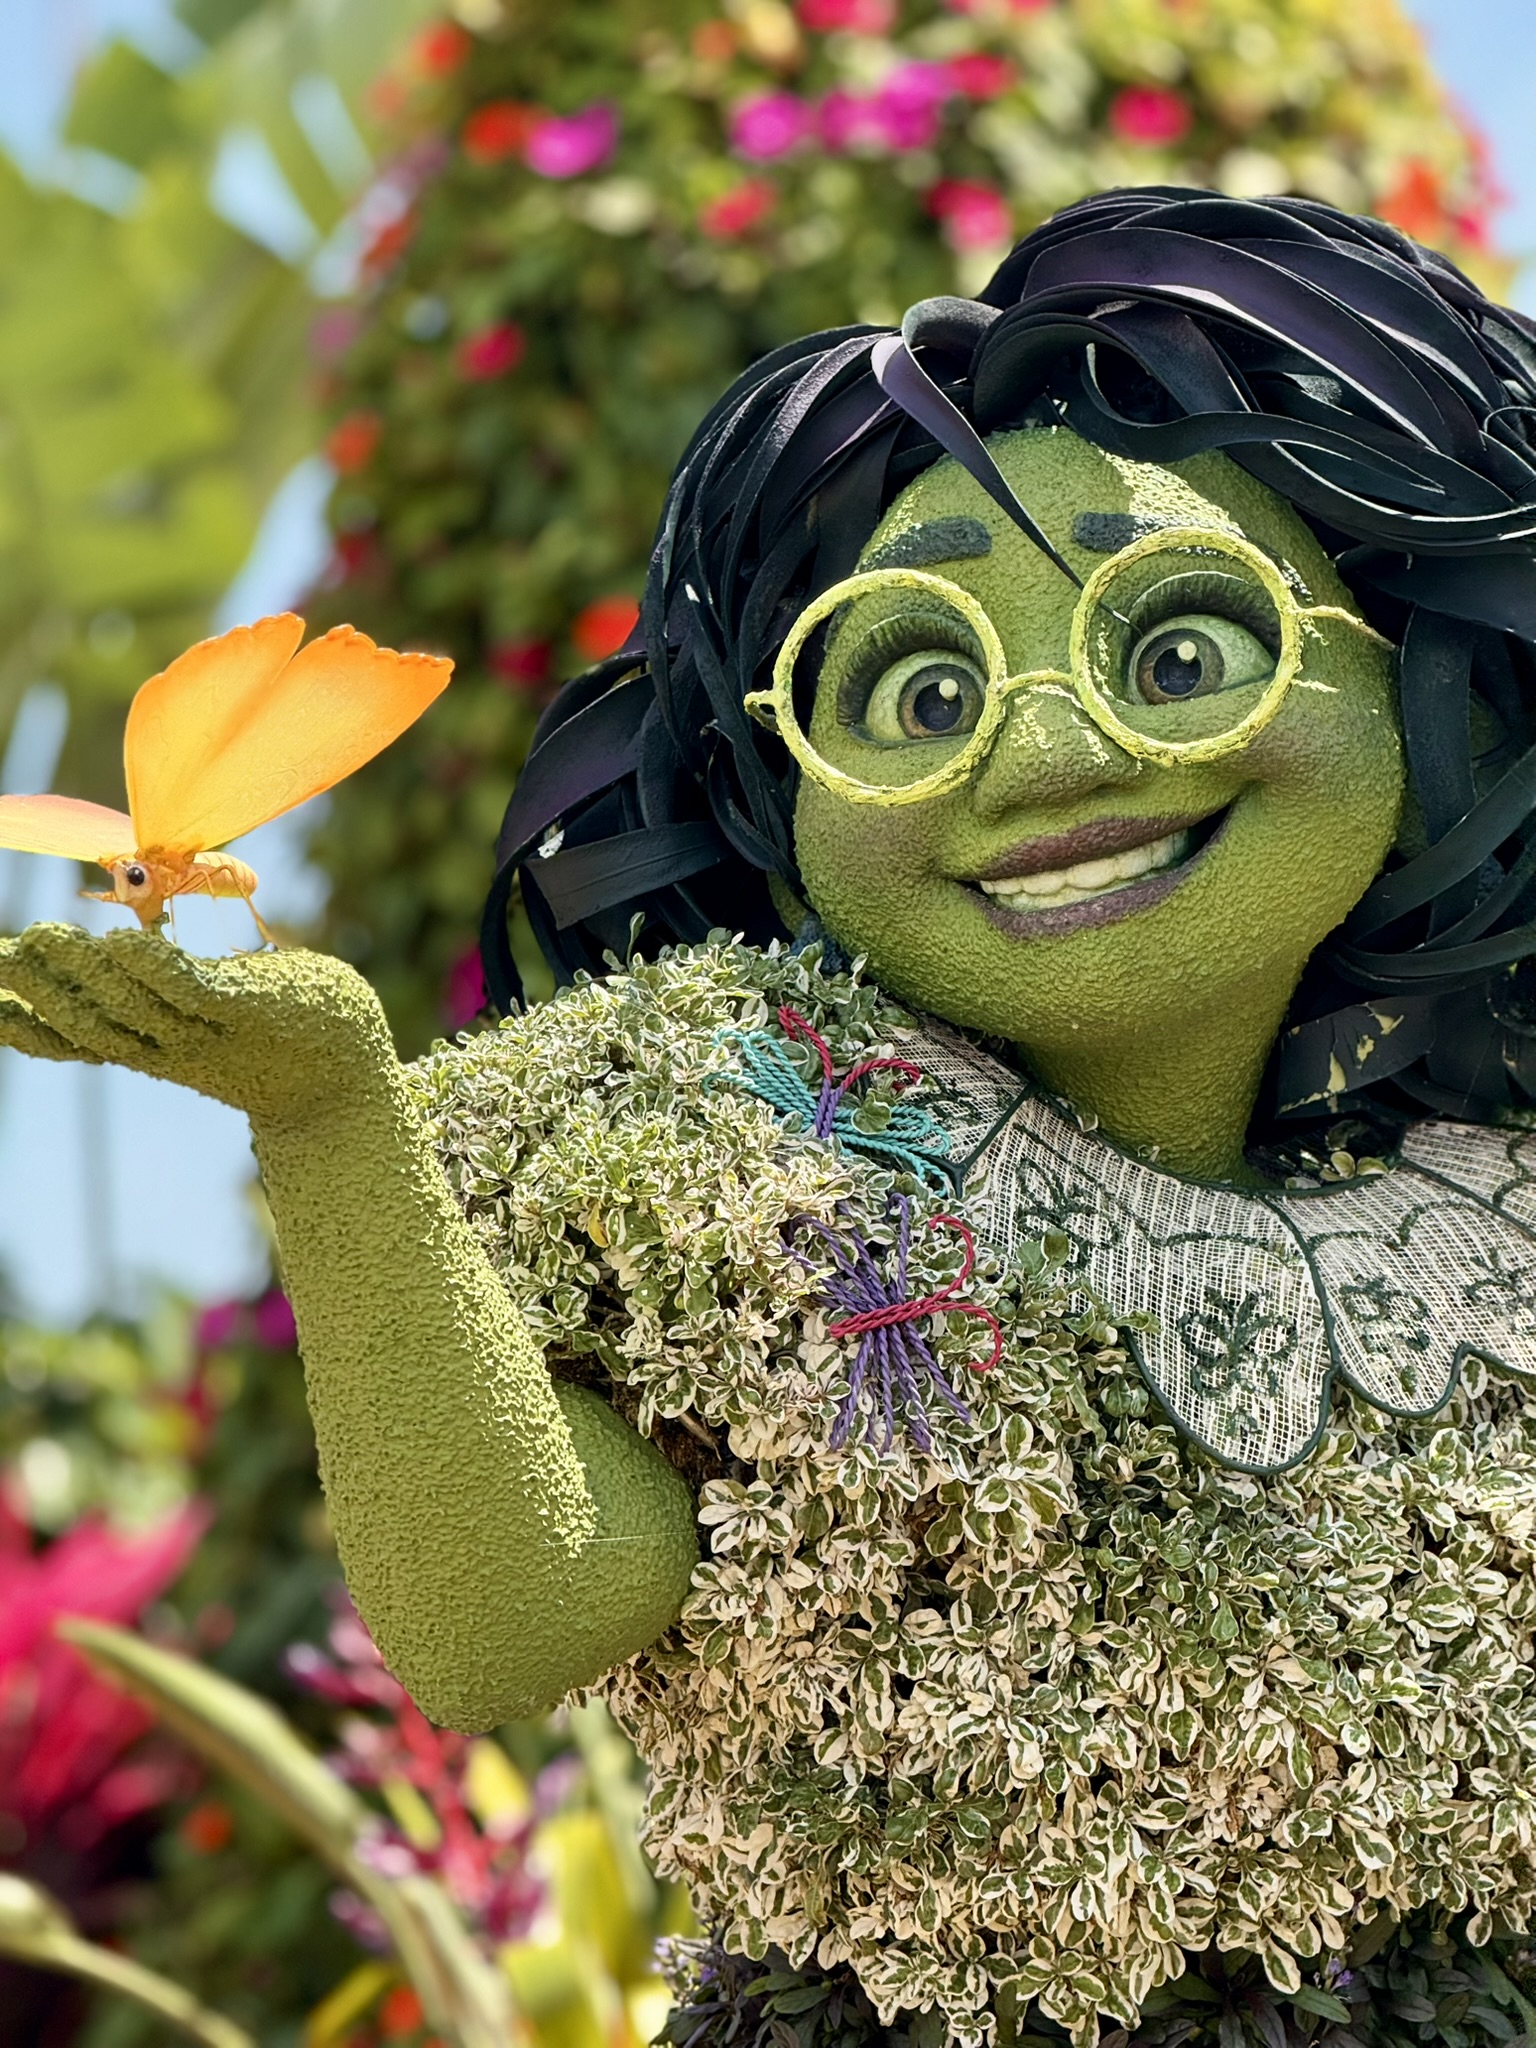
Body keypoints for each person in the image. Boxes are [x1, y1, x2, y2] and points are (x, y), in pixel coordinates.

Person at [6, 188, 1536, 2044]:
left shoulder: (1495, 1222)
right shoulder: (731, 1152)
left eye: (1182, 650)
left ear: (1416, 687)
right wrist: (335, 1125)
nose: (1054, 755)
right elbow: (513, 1622)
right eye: (919, 687)